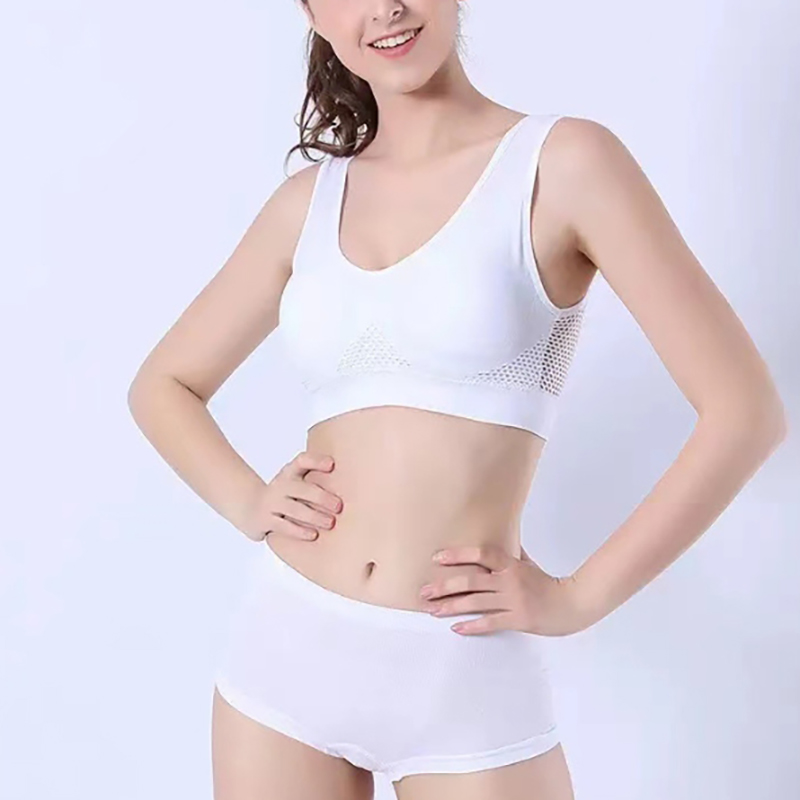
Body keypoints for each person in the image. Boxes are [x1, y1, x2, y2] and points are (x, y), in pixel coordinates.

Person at [127, 1, 787, 798]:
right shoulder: (306, 204)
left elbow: (744, 412)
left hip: (464, 674)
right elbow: (164, 386)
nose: (385, 7)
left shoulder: (562, 164)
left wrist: (579, 598)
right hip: (285, 653)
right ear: (310, 11)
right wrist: (247, 500)